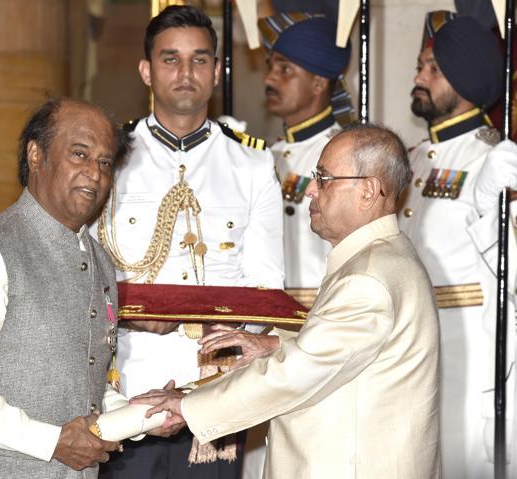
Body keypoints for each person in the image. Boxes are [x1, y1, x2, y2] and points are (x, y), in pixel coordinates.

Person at [133, 124, 441, 479]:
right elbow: (347, 353)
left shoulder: (367, 278)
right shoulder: (383, 257)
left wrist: (189, 406)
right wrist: (274, 344)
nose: (311, 190)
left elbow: (294, 375)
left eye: (324, 179)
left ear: (368, 191)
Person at [94, 5, 284, 478]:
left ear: (217, 71)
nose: (186, 72)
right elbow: (86, 271)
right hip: (125, 385)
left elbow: (265, 290)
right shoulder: (109, 157)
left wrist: (219, 373)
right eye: (170, 59)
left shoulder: (252, 166)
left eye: (200, 60)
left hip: (211, 394)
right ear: (146, 70)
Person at [0, 97, 132, 478]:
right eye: (79, 154)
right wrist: (50, 442)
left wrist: (144, 413)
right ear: (36, 155)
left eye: (104, 162)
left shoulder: (100, 262)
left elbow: (80, 383)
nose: (95, 174)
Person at [397, 11, 506, 478]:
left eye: (434, 70)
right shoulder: (411, 159)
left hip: (467, 356)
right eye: (421, 66)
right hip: (406, 348)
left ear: (467, 79)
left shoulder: (494, 161)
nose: (419, 78)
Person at [262, 14, 351, 306]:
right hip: (269, 316)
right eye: (270, 67)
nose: (269, 79)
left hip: (322, 314)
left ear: (318, 83)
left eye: (285, 69)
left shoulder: (343, 155)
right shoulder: (267, 155)